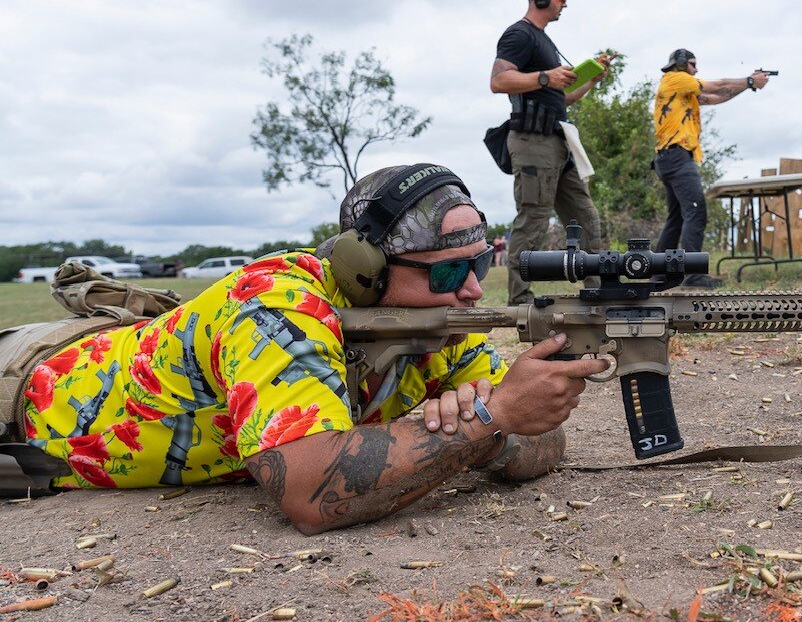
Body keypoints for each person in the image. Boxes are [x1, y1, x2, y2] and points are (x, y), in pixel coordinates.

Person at [2, 163, 607, 534]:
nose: (473, 290)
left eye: (479, 265)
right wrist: (489, 420)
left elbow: (541, 436)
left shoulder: (441, 325)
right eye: (448, 273)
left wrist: (495, 424)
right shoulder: (276, 304)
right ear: (365, 271)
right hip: (27, 391)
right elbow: (312, 493)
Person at [490, 0, 610, 305]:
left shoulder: (545, 40)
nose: (565, 4)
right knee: (534, 219)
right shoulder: (519, 34)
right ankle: (520, 300)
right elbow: (498, 81)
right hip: (533, 143)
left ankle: (598, 290)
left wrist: (591, 80)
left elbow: (562, 99)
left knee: (586, 217)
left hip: (558, 143)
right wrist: (545, 77)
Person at [652, 49, 770, 285]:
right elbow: (719, 85)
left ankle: (659, 273)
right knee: (695, 213)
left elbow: (719, 96)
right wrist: (749, 80)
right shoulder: (676, 78)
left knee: (676, 218)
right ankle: (693, 275)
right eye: (692, 64)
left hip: (669, 157)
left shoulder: (683, 90)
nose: (696, 69)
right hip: (677, 156)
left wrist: (748, 86)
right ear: (681, 64)